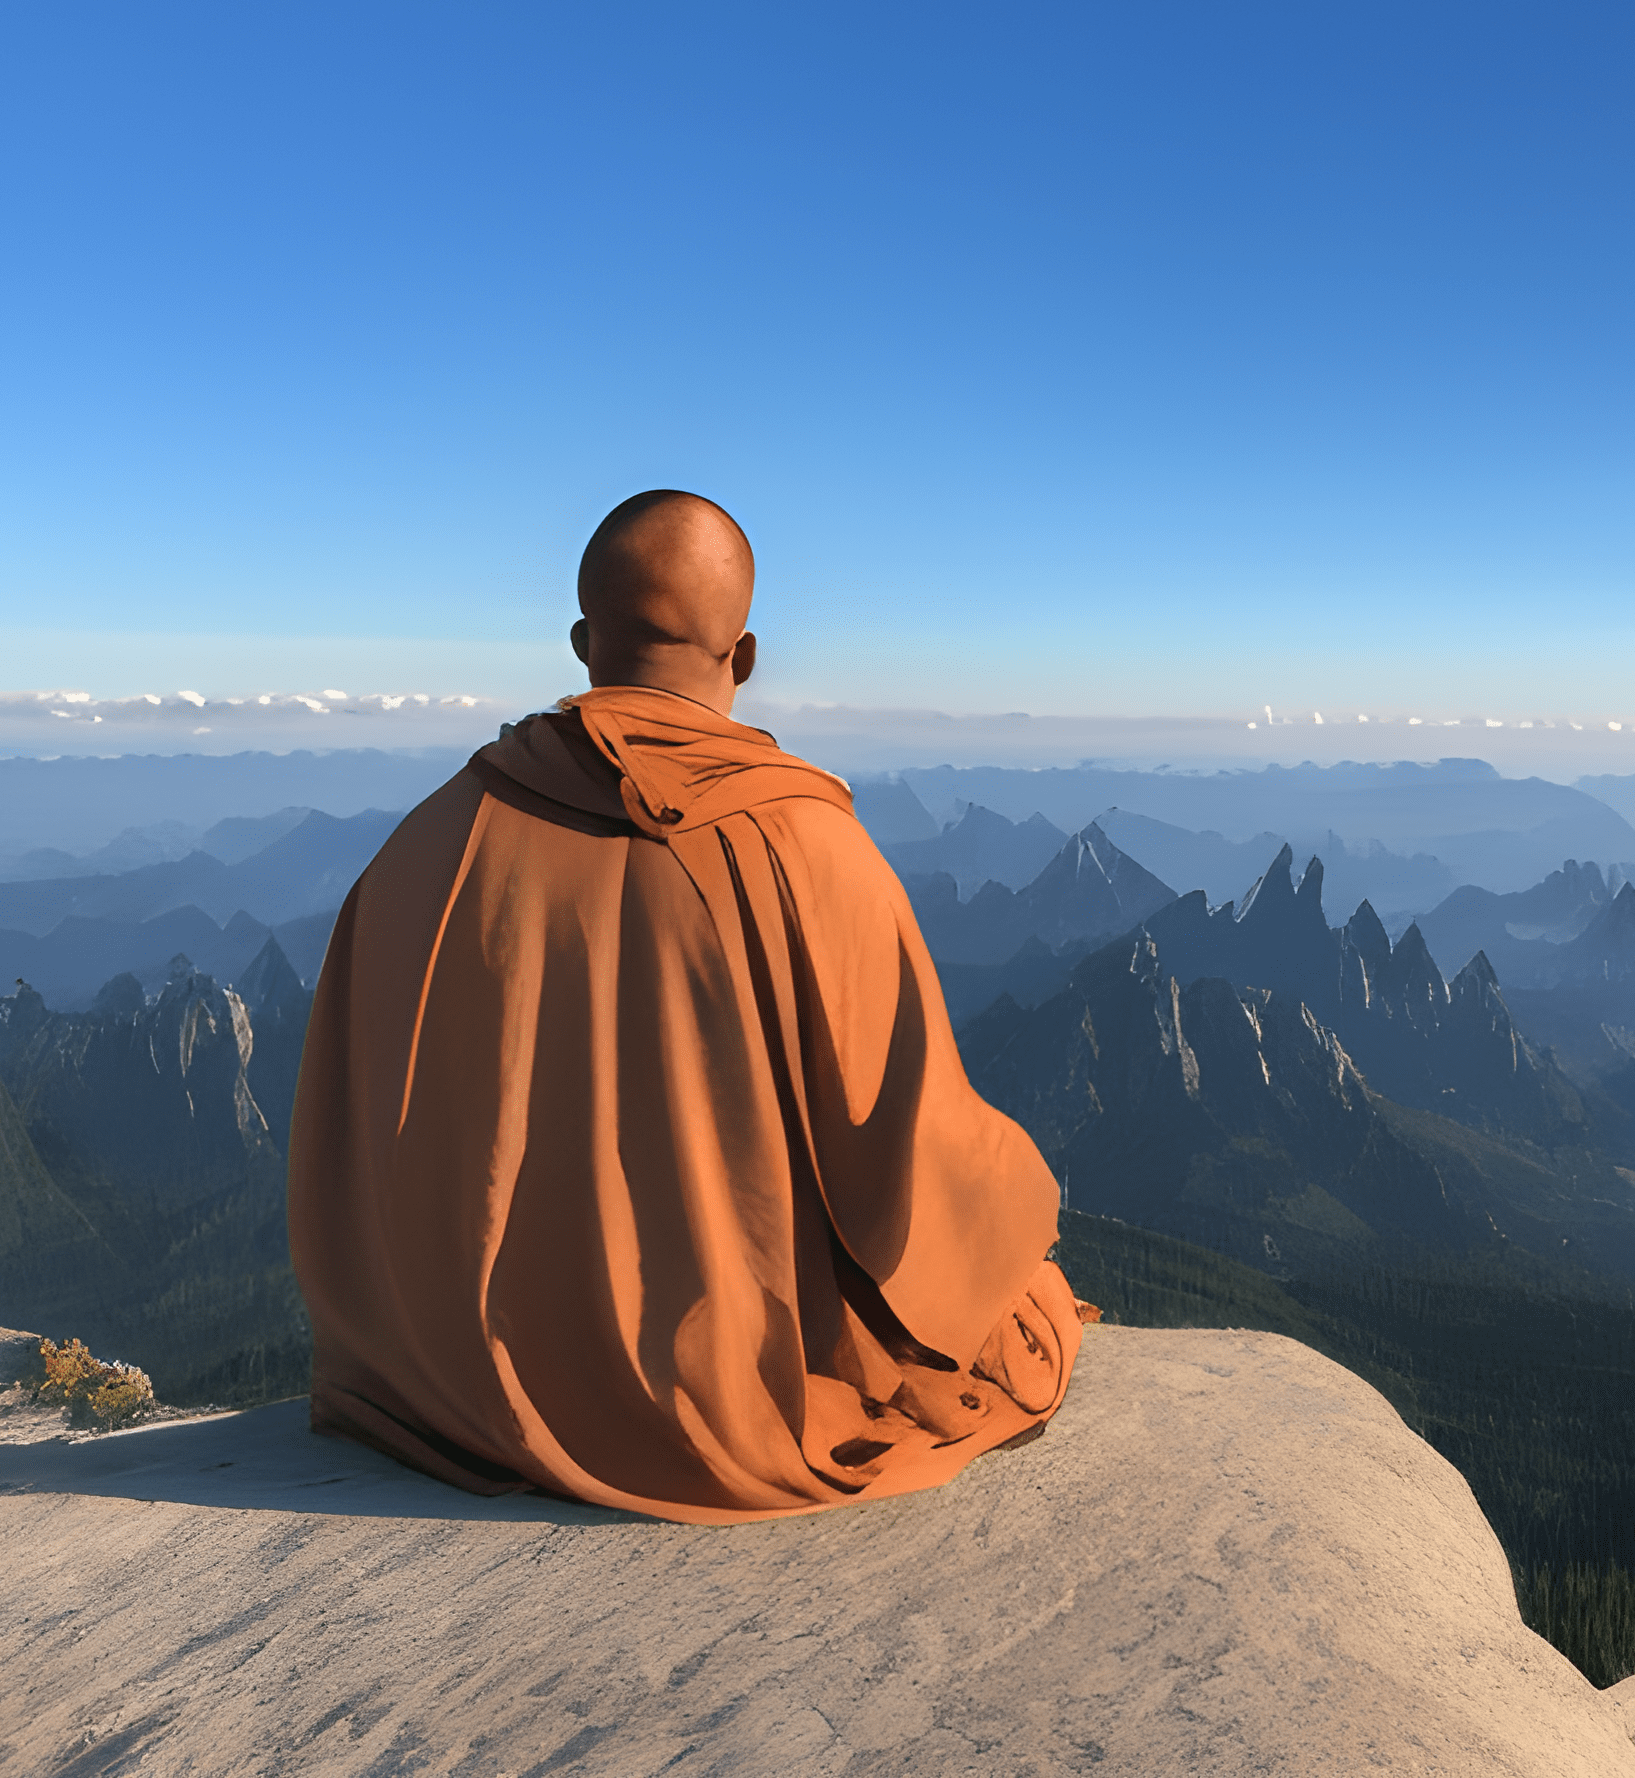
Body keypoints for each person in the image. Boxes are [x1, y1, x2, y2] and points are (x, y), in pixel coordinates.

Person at [290, 490, 1086, 1522]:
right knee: (1024, 1315)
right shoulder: (809, 846)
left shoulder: (426, 849)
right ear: (744, 655)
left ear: (583, 641)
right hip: (720, 1391)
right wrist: (1025, 1207)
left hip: (452, 1383)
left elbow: (344, 1159)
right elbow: (916, 1176)